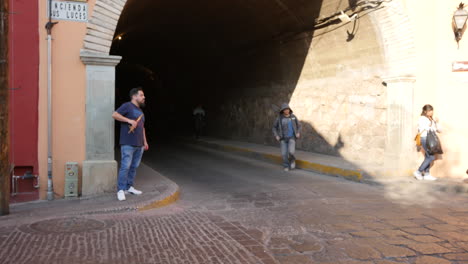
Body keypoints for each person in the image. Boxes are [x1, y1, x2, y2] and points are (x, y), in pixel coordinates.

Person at [112, 87, 149, 201]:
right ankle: (120, 190)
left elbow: (142, 128)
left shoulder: (140, 111)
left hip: (139, 144)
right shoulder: (127, 106)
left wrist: (145, 142)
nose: (144, 97)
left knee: (134, 167)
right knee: (125, 166)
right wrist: (129, 120)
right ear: (134, 96)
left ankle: (129, 187)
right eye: (141, 95)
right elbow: (115, 115)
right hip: (128, 143)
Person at [413, 104, 441, 181]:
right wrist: (432, 125)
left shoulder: (432, 119)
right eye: (429, 110)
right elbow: (427, 128)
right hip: (425, 138)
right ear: (425, 111)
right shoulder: (422, 119)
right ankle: (418, 172)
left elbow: (440, 130)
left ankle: (427, 174)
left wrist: (436, 122)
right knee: (431, 157)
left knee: (428, 156)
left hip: (431, 139)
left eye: (432, 110)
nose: (431, 112)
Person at [272, 103, 302, 172]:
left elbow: (299, 125)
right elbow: (274, 127)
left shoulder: (293, 117)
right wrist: (276, 135)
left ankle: (292, 161)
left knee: (291, 152)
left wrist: (298, 132)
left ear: (289, 109)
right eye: (285, 109)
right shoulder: (279, 118)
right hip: (283, 138)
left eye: (287, 109)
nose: (286, 111)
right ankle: (286, 166)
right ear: (282, 111)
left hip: (292, 137)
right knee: (284, 154)